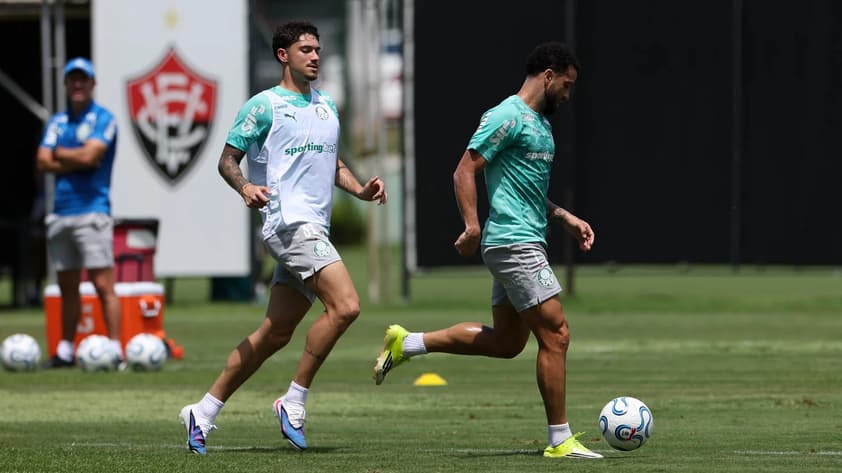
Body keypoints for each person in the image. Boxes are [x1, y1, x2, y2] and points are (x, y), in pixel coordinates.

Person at [373, 42, 602, 459]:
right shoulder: (506, 116)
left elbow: (527, 191)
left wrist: (564, 217)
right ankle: (560, 439)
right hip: (512, 242)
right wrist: (472, 224)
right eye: (566, 86)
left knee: (508, 343)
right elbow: (465, 168)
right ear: (548, 76)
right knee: (556, 333)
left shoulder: (541, 125)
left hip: (525, 238)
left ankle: (406, 344)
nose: (568, 96)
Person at [179, 20, 387, 455]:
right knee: (346, 306)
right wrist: (245, 187)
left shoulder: (327, 105)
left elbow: (334, 166)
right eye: (306, 49)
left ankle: (204, 410)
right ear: (283, 55)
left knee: (275, 334)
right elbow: (226, 160)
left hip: (312, 229)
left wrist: (361, 189)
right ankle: (293, 401)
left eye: (318, 49)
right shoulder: (264, 106)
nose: (315, 56)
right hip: (289, 225)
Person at [36, 57, 123, 369]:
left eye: (82, 79)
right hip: (60, 211)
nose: (77, 84)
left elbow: (93, 155)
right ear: (65, 84)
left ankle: (116, 350)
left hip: (92, 210)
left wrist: (61, 154)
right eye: (72, 79)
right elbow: (43, 161)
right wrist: (73, 156)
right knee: (67, 287)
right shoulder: (56, 121)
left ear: (92, 83)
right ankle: (64, 350)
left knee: (102, 285)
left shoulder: (104, 118)